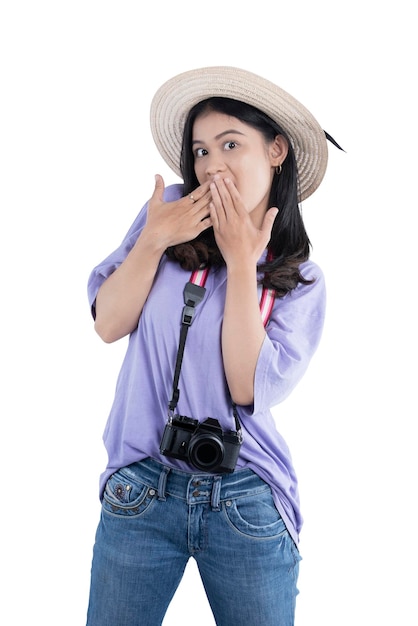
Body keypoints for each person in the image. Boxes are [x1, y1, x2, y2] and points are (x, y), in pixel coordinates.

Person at [85, 66, 341, 626]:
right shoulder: (167, 216)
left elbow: (249, 387)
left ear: (276, 151)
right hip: (141, 486)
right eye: (201, 150)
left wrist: (243, 261)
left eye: (231, 144)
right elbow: (108, 322)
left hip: (246, 496)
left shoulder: (301, 281)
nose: (211, 165)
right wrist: (155, 237)